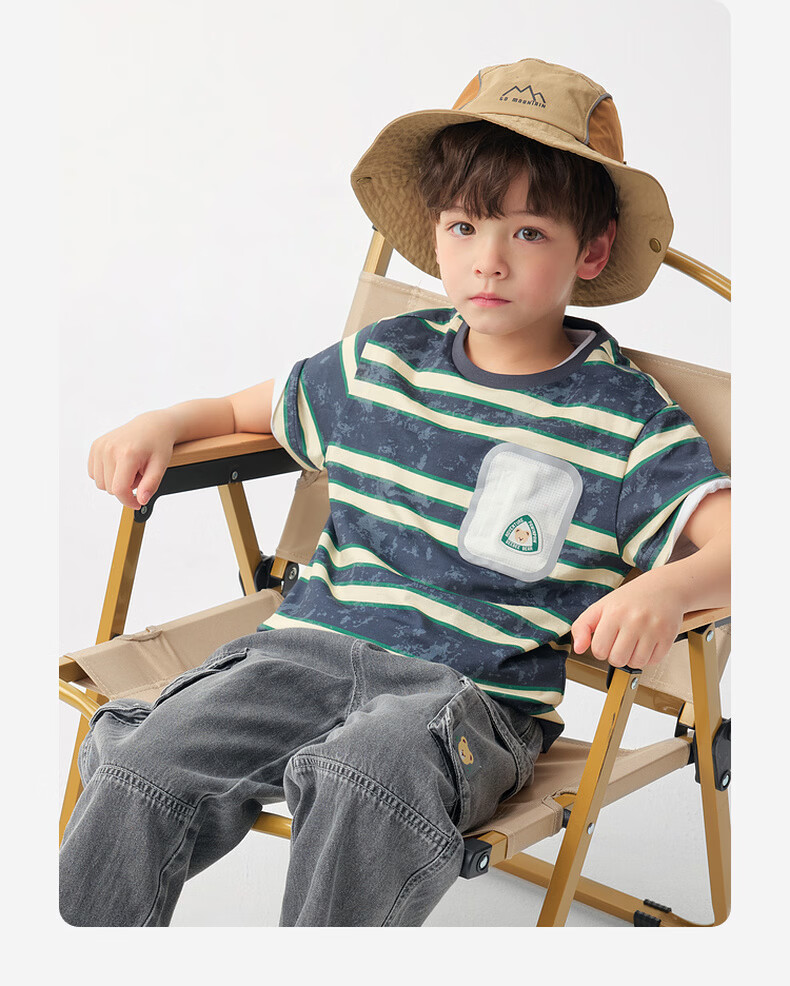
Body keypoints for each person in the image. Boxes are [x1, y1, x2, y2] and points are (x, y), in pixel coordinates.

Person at [59, 57, 731, 927]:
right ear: (436, 232)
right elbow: (238, 411)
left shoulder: (622, 418)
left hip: (466, 698)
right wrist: (163, 422)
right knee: (142, 763)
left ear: (591, 249)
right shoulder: (382, 359)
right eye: (464, 226)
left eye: (528, 233)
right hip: (297, 656)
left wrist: (669, 588)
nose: (488, 260)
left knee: (362, 775)